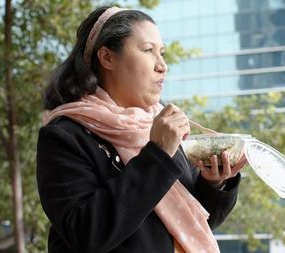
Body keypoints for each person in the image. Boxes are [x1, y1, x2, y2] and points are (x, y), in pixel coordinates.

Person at [36, 6, 247, 253]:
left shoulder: (156, 125)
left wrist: (214, 182)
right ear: (107, 58)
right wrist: (156, 154)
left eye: (162, 53)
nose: (162, 65)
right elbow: (87, 233)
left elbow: (193, 224)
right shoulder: (65, 135)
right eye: (148, 50)